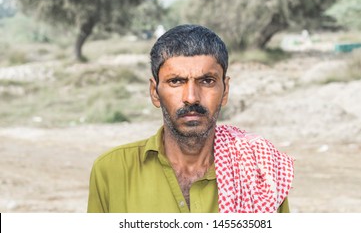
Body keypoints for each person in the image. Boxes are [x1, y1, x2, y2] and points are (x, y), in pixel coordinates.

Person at [87, 24, 294, 213]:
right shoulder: (112, 170)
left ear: (225, 91)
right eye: (176, 81)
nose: (191, 97)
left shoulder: (260, 172)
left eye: (207, 81)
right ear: (154, 92)